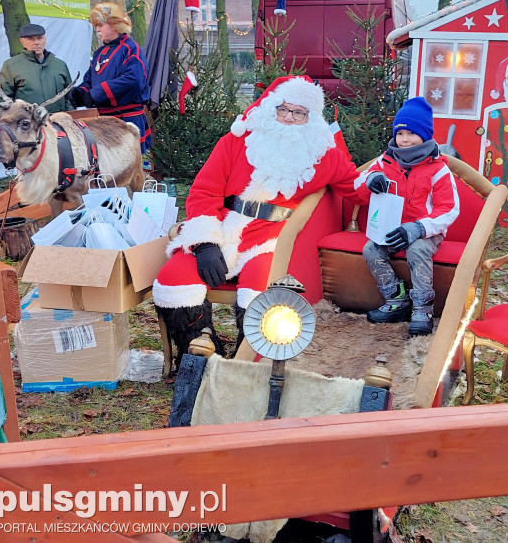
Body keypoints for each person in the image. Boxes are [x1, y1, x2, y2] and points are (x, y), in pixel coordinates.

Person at [153, 75, 360, 364]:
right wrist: (205, 243)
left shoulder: (323, 156)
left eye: (298, 113)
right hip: (221, 228)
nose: (288, 117)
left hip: (270, 240)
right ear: (271, 108)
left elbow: (358, 187)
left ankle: (245, 365)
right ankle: (197, 358)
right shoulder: (237, 141)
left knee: (260, 295)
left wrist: (400, 172)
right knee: (173, 281)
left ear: (310, 118)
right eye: (282, 109)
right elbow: (204, 190)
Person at [357, 97, 459, 336]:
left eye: (412, 133)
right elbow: (359, 185)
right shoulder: (385, 160)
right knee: (371, 250)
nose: (404, 139)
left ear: (424, 135)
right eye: (400, 133)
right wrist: (370, 180)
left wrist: (419, 228)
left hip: (425, 230)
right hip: (391, 227)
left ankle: (423, 308)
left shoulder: (438, 168)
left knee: (417, 250)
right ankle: (397, 300)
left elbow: (449, 208)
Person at [69, 2, 152, 152]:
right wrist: (80, 92)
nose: (98, 30)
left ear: (114, 25)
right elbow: (90, 79)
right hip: (105, 120)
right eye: (96, 26)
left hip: (127, 120)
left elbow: (133, 81)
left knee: (127, 170)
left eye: (101, 25)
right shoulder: (99, 53)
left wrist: (96, 94)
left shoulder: (131, 49)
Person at [0, 23, 73, 113]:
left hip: (56, 122)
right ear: (22, 42)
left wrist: (71, 117)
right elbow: (5, 100)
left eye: (40, 38)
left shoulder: (60, 65)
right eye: (31, 39)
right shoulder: (11, 66)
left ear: (45, 40)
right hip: (28, 123)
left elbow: (70, 98)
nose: (36, 42)